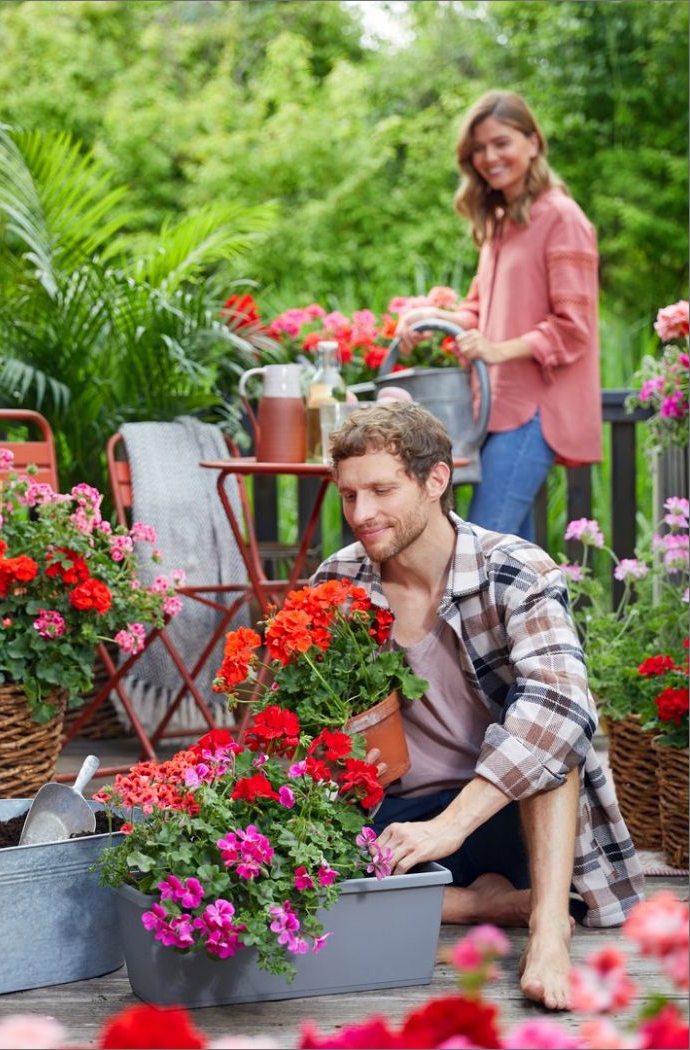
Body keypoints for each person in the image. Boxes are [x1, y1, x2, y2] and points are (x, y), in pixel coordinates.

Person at [310, 401, 644, 1011]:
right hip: (401, 819)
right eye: (349, 495)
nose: (362, 514)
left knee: (551, 736)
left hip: (506, 811)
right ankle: (477, 904)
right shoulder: (339, 581)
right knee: (283, 869)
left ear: (436, 480)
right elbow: (314, 730)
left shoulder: (513, 570)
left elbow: (562, 707)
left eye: (382, 490)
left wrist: (451, 825)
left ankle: (546, 927)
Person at [396, 91, 601, 543]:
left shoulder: (562, 218)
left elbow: (574, 326)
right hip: (494, 408)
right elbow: (478, 310)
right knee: (514, 560)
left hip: (536, 412)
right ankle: (545, 618)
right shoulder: (500, 223)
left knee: (478, 545)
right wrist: (425, 315)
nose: (490, 157)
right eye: (479, 149)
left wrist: (496, 348)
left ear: (533, 142)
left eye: (501, 143)